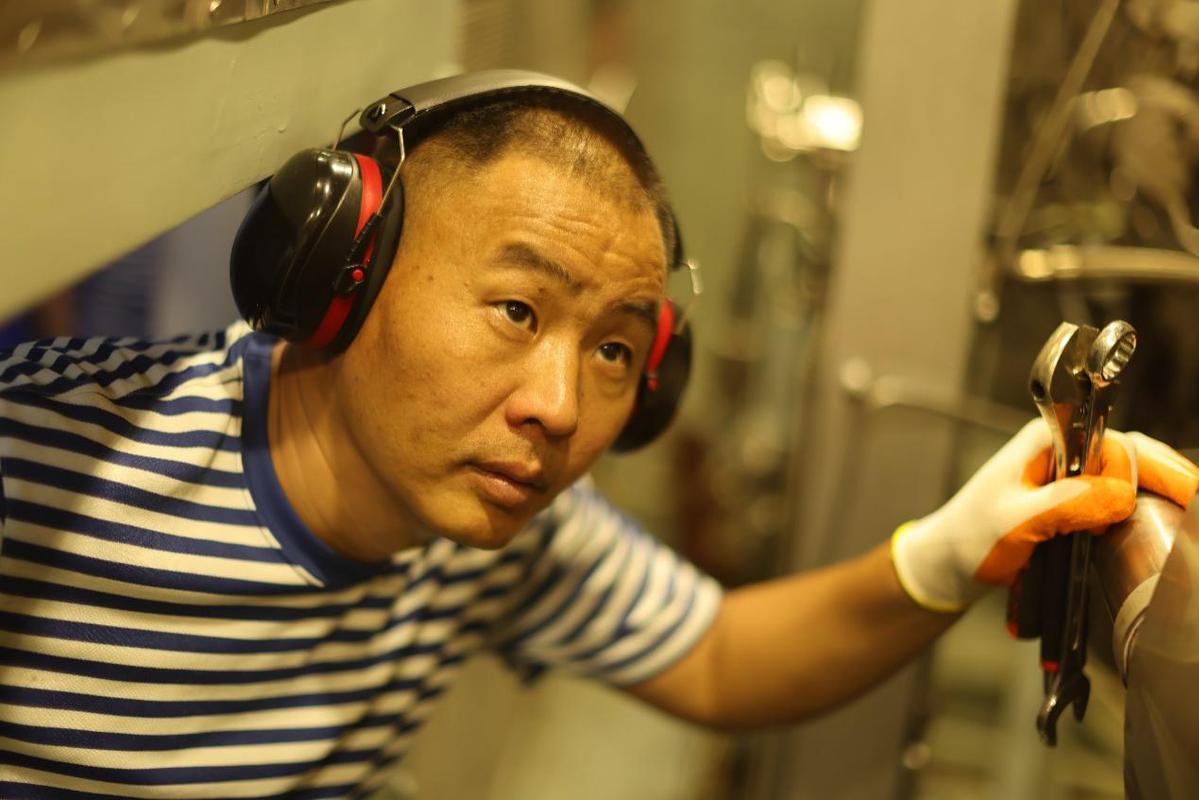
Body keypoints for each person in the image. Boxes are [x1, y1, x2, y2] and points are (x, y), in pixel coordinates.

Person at [0, 72, 1195, 799]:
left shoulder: (504, 520)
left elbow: (717, 656)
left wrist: (948, 549)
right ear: (338, 275)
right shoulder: (47, 461)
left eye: (615, 350)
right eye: (516, 311)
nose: (560, 407)